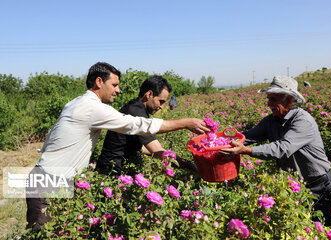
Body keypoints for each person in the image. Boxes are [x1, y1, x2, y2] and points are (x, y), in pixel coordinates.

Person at [26, 62, 209, 230]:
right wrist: (186, 122)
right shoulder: (92, 107)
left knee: (61, 230)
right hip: (50, 181)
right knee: (43, 232)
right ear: (99, 82)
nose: (118, 90)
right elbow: (138, 125)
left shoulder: (77, 102)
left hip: (49, 177)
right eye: (114, 85)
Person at [219, 76, 331, 226]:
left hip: (320, 186)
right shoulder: (270, 121)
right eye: (268, 99)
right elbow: (248, 136)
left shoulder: (302, 121)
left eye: (273, 99)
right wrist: (222, 141)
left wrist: (246, 150)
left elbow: (282, 148)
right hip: (298, 187)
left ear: (288, 99)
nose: (269, 104)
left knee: (325, 227)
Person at [96, 75, 197, 174]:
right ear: (149, 94)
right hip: (111, 171)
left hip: (110, 167)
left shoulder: (135, 106)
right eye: (160, 101)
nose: (162, 107)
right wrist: (188, 165)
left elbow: (144, 148)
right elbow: (156, 150)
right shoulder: (136, 113)